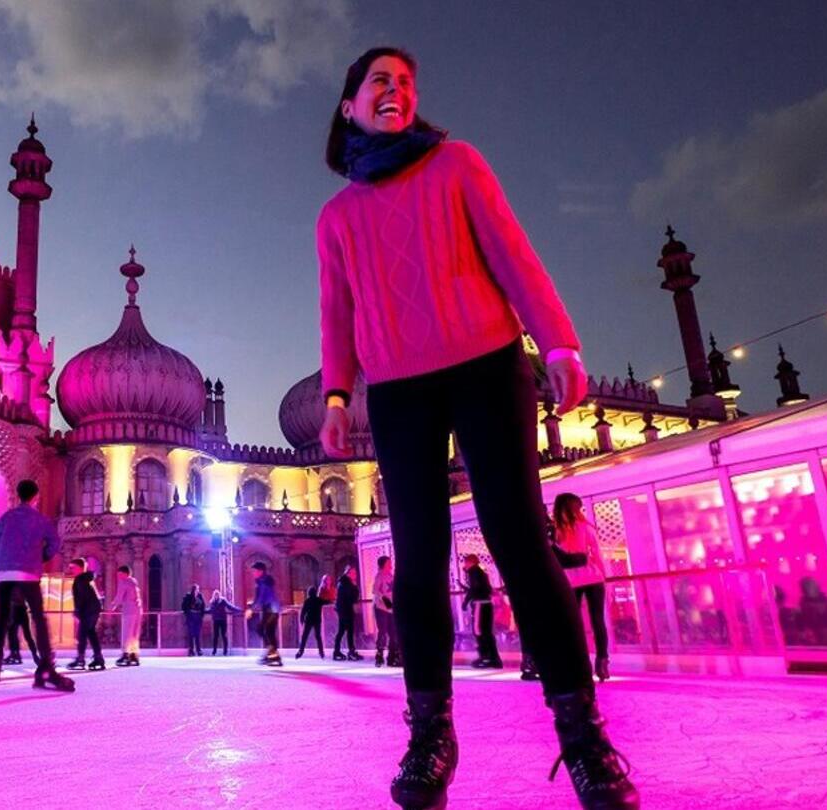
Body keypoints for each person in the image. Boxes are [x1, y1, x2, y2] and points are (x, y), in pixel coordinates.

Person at [316, 47, 638, 809]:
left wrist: (557, 341)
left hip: (489, 369)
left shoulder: (456, 164)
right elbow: (338, 313)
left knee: (522, 546)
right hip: (398, 392)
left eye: (405, 83)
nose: (394, 92)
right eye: (378, 83)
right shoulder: (337, 218)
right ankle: (430, 733)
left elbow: (512, 252)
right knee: (420, 561)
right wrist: (335, 395)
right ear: (348, 106)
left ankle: (584, 738)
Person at [0, 479, 73, 692]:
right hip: (27, 572)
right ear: (36, 497)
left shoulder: (5, 519)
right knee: (38, 618)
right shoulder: (39, 519)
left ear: (18, 495)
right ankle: (47, 667)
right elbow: (55, 543)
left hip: (2, 573)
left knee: (2, 618)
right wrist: (41, 556)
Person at [553, 494, 610, 680]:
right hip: (593, 577)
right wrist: (605, 580)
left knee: (574, 624)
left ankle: (579, 663)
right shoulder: (586, 528)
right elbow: (598, 556)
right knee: (597, 620)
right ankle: (602, 662)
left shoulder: (555, 531)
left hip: (570, 581)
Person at [461, 555, 501, 669]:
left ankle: (486, 657)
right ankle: (494, 658)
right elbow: (485, 587)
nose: (464, 565)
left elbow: (475, 588)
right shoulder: (481, 572)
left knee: (479, 631)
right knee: (487, 631)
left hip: (480, 604)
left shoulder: (473, 571)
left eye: (465, 563)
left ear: (470, 562)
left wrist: (466, 601)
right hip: (486, 603)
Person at [67, 558, 105, 671]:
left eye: (72, 567)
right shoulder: (86, 579)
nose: (71, 570)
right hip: (93, 609)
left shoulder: (80, 580)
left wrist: (77, 610)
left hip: (87, 610)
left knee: (82, 634)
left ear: (79, 568)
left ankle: (80, 658)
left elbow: (82, 597)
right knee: (90, 632)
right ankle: (98, 657)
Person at [109, 565, 143, 667]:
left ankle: (125, 654)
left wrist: (112, 607)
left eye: (119, 574)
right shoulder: (134, 582)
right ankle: (134, 654)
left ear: (124, 573)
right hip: (138, 610)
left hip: (129, 611)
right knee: (134, 634)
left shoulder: (124, 582)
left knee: (127, 633)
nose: (118, 577)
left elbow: (119, 596)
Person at [249, 562, 282, 666]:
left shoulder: (264, 582)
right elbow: (258, 598)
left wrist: (252, 609)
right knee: (268, 632)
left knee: (265, 630)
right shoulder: (260, 581)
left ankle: (272, 655)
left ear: (260, 571)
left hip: (271, 609)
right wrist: (253, 605)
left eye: (254, 571)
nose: (253, 573)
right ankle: (273, 655)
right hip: (269, 609)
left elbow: (262, 597)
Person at [372, 555, 401, 667]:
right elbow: (374, 590)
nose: (391, 564)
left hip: (390, 609)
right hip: (381, 608)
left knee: (393, 633)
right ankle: (379, 655)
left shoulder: (390, 575)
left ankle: (392, 657)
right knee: (383, 631)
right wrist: (384, 600)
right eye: (389, 562)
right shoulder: (379, 575)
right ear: (384, 564)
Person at [333, 565, 362, 661]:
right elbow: (352, 598)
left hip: (344, 610)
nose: (355, 575)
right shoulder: (346, 584)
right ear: (348, 573)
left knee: (342, 631)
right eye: (353, 573)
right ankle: (350, 651)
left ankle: (338, 651)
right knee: (348, 631)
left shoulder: (344, 583)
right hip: (346, 610)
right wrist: (355, 588)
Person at [4, 598, 40, 667]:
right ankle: (17, 655)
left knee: (13, 633)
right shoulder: (21, 588)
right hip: (20, 610)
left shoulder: (14, 588)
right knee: (16, 634)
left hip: (17, 610)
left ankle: (15, 655)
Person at [296, 584, 329, 659]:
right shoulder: (319, 600)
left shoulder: (307, 601)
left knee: (304, 637)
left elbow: (303, 612)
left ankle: (300, 651)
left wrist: (301, 620)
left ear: (308, 593)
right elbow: (327, 602)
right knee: (318, 637)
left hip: (308, 621)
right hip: (317, 621)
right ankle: (321, 652)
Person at [181, 584, 206, 656]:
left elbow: (203, 606)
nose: (198, 590)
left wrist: (201, 615)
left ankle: (198, 650)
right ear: (194, 589)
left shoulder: (200, 596)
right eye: (197, 589)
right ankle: (191, 650)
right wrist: (188, 613)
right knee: (191, 634)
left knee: (197, 634)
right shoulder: (188, 596)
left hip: (198, 617)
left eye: (198, 589)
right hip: (191, 616)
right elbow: (183, 606)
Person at [207, 589, 234, 655]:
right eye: (215, 595)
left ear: (219, 595)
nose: (216, 596)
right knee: (215, 636)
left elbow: (229, 606)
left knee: (224, 635)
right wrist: (201, 611)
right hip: (216, 621)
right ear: (214, 595)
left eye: (217, 594)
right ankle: (214, 651)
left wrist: (237, 609)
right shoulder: (212, 602)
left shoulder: (223, 601)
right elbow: (210, 610)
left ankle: (225, 651)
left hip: (222, 620)